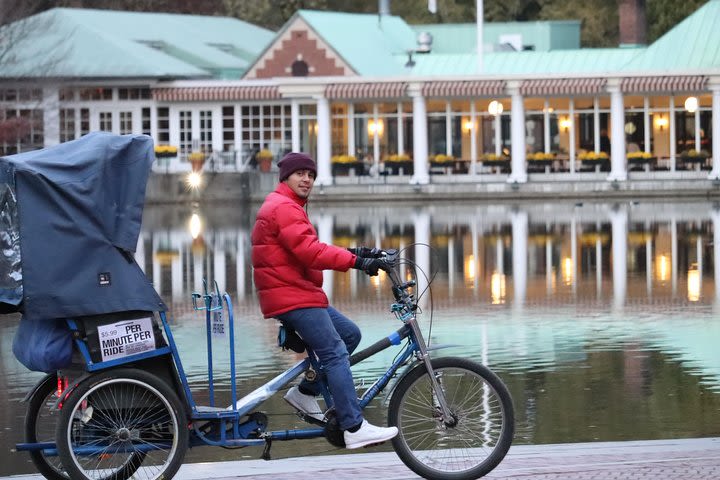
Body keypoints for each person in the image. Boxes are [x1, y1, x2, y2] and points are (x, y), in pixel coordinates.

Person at [250, 152, 398, 449]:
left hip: (295, 291)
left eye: (311, 175)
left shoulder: (288, 205)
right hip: (291, 295)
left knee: (349, 335)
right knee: (333, 352)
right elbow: (311, 252)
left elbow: (308, 246)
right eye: (300, 174)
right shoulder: (284, 208)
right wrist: (358, 263)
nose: (307, 179)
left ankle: (305, 393)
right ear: (286, 178)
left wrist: (361, 252)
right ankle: (354, 426)